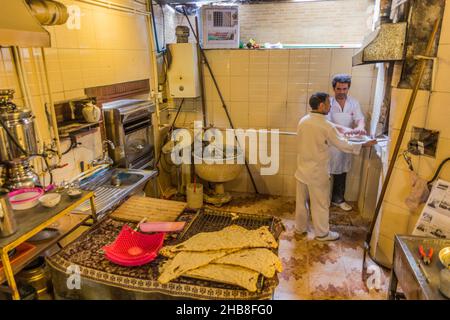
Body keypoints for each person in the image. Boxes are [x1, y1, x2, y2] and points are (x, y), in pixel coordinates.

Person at [295, 92, 376, 241]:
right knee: (320, 204)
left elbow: (334, 132)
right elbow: (342, 145)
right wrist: (364, 144)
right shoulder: (325, 125)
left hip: (302, 170)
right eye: (327, 103)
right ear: (321, 106)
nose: (330, 105)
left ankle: (300, 228)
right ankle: (322, 234)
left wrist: (350, 132)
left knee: (301, 203)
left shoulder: (303, 121)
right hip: (317, 173)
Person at [327, 74, 366, 212]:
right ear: (334, 88)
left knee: (342, 170)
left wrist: (360, 128)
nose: (342, 92)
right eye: (339, 89)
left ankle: (338, 199)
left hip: (346, 143)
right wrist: (349, 130)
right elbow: (328, 124)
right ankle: (324, 200)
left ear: (348, 88)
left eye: (345, 89)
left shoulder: (353, 103)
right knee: (326, 172)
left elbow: (359, 118)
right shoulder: (328, 103)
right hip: (330, 142)